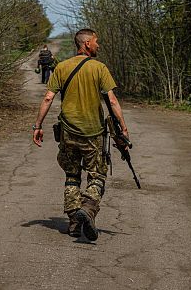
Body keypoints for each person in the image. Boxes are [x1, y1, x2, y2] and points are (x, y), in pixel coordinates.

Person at [32, 28, 130, 241]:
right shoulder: (99, 68)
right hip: (93, 133)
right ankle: (88, 208)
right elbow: (112, 101)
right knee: (97, 175)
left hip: (68, 132)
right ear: (86, 44)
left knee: (72, 175)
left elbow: (48, 98)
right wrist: (122, 127)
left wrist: (37, 126)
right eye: (96, 41)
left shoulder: (62, 67)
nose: (98, 45)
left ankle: (75, 222)